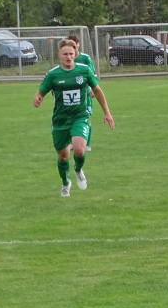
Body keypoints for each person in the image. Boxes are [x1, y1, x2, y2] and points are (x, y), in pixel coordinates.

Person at [33, 39, 115, 197]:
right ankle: (65, 182)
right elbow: (40, 92)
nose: (68, 57)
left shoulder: (84, 70)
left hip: (80, 117)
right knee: (63, 156)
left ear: (75, 54)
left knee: (79, 148)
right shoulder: (53, 74)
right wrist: (38, 98)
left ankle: (78, 170)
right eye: (65, 54)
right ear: (60, 55)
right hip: (60, 121)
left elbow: (97, 90)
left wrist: (107, 112)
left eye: (71, 54)